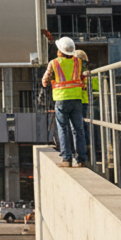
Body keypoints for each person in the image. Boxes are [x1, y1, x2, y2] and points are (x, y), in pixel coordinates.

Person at [41, 36, 86, 167]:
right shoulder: (78, 62)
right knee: (78, 130)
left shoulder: (54, 63)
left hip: (61, 100)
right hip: (77, 99)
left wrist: (51, 81)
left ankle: (66, 159)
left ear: (59, 50)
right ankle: (81, 159)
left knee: (63, 128)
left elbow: (44, 82)